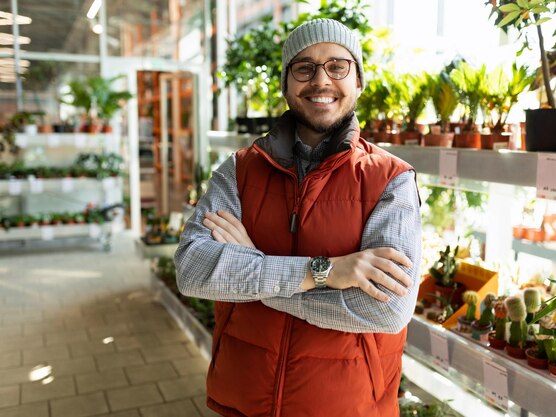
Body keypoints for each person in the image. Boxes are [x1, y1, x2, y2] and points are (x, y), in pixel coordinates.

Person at [175, 18, 421, 417]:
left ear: (358, 81)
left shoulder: (390, 180)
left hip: (346, 406)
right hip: (244, 398)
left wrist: (252, 275)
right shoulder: (237, 171)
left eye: (337, 66)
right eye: (304, 68)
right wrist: (325, 272)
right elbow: (191, 270)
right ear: (286, 84)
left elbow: (387, 309)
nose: (321, 80)